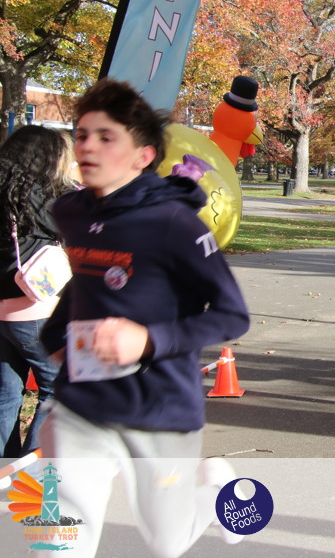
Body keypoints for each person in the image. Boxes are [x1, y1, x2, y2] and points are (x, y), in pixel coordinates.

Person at [38, 78, 251, 556]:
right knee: (59, 541)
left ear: (143, 156)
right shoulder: (70, 212)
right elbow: (87, 276)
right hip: (82, 406)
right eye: (81, 134)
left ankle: (215, 488)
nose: (87, 147)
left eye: (106, 137)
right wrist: (54, 335)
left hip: (159, 408)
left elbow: (232, 316)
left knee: (167, 543)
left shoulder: (174, 224)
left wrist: (147, 341)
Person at [0, 126, 76, 458]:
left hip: (3, 313)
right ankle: (33, 475)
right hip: (36, 313)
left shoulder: (8, 193)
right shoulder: (47, 199)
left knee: (6, 394)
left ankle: (5, 469)